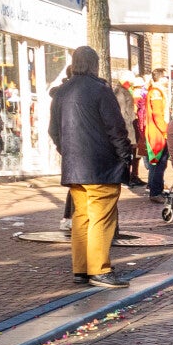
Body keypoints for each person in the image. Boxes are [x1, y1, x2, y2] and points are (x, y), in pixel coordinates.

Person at [50, 45, 134, 288]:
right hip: (101, 166)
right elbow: (116, 128)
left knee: (81, 218)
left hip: (74, 168)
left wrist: (67, 152)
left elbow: (53, 131)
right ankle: (99, 270)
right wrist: (124, 155)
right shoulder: (101, 90)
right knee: (101, 218)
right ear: (95, 65)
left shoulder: (61, 92)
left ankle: (81, 269)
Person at [141, 66, 170, 200]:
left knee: (157, 163)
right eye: (166, 77)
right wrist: (165, 131)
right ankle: (155, 192)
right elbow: (158, 115)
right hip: (157, 133)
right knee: (159, 163)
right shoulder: (156, 93)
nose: (168, 79)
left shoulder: (156, 91)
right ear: (161, 78)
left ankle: (156, 189)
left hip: (157, 132)